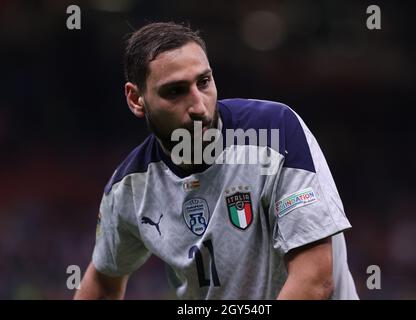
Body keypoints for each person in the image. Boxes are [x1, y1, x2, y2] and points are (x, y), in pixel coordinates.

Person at [74, 21, 358, 300]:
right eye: (175, 91)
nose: (199, 107)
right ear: (136, 99)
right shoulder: (129, 188)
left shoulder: (276, 135)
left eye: (204, 82)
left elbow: (315, 280)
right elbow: (103, 283)